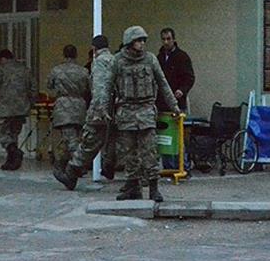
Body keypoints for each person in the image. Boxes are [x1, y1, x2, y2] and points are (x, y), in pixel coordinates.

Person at [112, 26, 179, 202]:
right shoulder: (118, 61)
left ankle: (154, 188)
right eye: (138, 40)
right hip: (126, 111)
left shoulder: (150, 59)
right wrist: (102, 108)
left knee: (150, 151)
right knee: (128, 153)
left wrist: (174, 106)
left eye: (143, 40)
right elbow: (107, 87)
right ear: (129, 42)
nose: (142, 43)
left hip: (146, 111)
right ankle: (133, 187)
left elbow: (163, 83)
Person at [54, 34, 116, 190]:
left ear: (94, 49)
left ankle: (71, 172)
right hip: (114, 109)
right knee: (114, 140)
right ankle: (109, 165)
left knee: (89, 142)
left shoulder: (99, 62)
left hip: (99, 111)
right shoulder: (115, 60)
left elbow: (99, 89)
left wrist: (98, 110)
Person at [0, 49, 37, 171]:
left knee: (1, 132)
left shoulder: (1, 69)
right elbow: (34, 87)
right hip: (21, 108)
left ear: (3, 59)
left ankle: (14, 152)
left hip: (5, 107)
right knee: (14, 134)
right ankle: (11, 161)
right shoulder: (25, 70)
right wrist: (31, 102)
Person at [46, 44, 90, 174]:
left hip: (63, 106)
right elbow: (89, 88)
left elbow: (49, 85)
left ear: (64, 55)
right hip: (80, 106)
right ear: (76, 55)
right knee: (75, 137)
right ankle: (63, 164)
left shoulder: (57, 70)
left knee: (70, 139)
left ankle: (78, 165)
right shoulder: (84, 71)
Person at [156, 27, 195, 113]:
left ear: (174, 40)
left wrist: (182, 90)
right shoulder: (159, 57)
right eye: (163, 39)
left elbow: (189, 77)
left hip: (177, 100)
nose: (166, 42)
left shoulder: (182, 57)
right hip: (161, 102)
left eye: (168, 39)